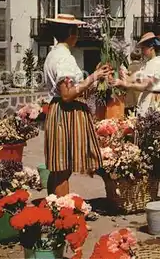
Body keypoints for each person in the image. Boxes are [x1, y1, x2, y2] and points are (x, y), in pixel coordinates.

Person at [43, 14, 111, 196]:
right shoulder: (64, 58)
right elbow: (67, 94)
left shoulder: (53, 54)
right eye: (76, 31)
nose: (78, 35)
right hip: (65, 113)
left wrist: (94, 78)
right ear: (71, 33)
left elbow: (72, 89)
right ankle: (63, 215)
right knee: (63, 168)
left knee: (58, 167)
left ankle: (54, 211)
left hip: (58, 111)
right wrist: (93, 77)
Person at [114, 32, 160, 115]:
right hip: (147, 99)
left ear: (151, 48)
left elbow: (144, 85)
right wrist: (120, 72)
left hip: (154, 101)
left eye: (143, 48)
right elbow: (132, 78)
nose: (142, 51)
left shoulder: (157, 63)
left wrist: (125, 84)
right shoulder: (148, 64)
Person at [124, 49, 143, 115]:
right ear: (140, 57)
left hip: (130, 96)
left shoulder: (129, 68)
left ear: (131, 58)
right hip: (140, 95)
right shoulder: (143, 67)